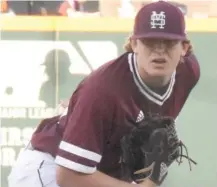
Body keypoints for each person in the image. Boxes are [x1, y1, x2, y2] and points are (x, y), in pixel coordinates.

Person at [8, 1, 200, 187]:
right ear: (134, 44)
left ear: (184, 47)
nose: (159, 50)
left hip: (100, 171)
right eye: (150, 41)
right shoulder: (103, 90)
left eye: (168, 42)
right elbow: (68, 176)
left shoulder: (188, 73)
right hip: (50, 168)